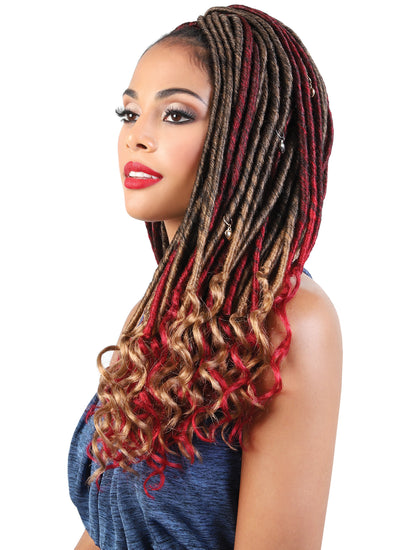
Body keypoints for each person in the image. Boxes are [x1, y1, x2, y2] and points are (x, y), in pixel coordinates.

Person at [69, 5, 342, 549]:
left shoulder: (292, 322)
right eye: (129, 113)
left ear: (249, 141)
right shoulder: (171, 307)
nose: (137, 137)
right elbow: (109, 529)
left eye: (175, 115)